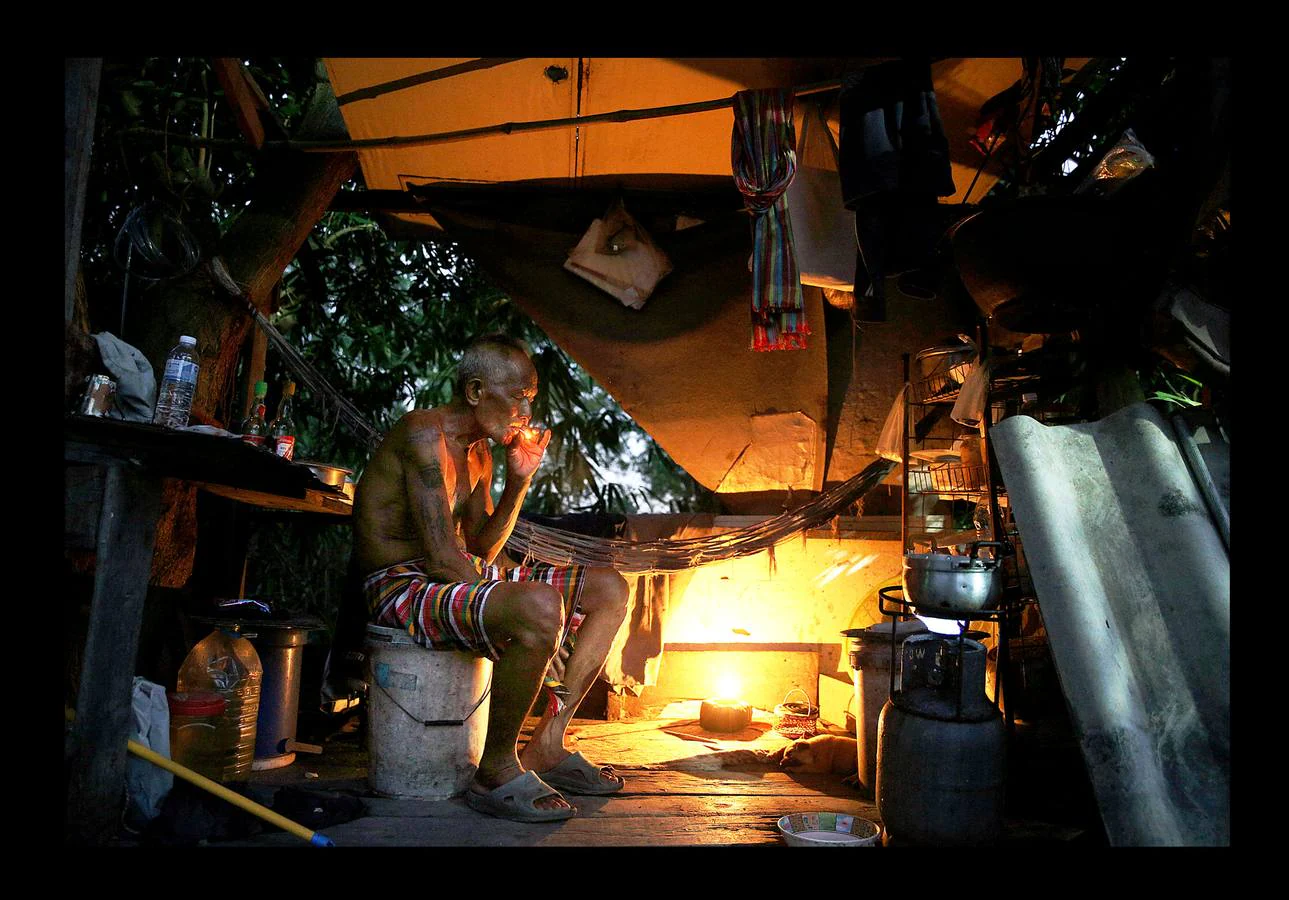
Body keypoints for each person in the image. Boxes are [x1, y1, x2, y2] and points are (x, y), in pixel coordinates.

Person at [352, 334, 630, 823]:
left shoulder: (478, 452)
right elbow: (441, 558)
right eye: (519, 395)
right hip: (399, 583)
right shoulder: (423, 434)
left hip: (451, 574)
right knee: (541, 606)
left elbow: (481, 549)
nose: (527, 409)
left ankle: (548, 743)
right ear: (477, 391)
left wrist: (519, 480)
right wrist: (535, 608)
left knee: (610, 588)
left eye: (531, 397)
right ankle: (496, 769)